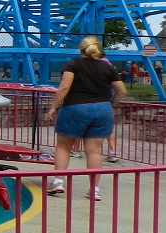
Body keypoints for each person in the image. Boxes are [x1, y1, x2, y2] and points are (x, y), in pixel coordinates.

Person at [45, 37, 127, 201]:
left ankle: (58, 182)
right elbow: (122, 91)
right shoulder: (108, 67)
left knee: (63, 146)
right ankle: (94, 189)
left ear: (81, 50)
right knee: (94, 151)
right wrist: (110, 104)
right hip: (102, 110)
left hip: (75, 108)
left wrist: (53, 106)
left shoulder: (73, 64)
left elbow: (65, 86)